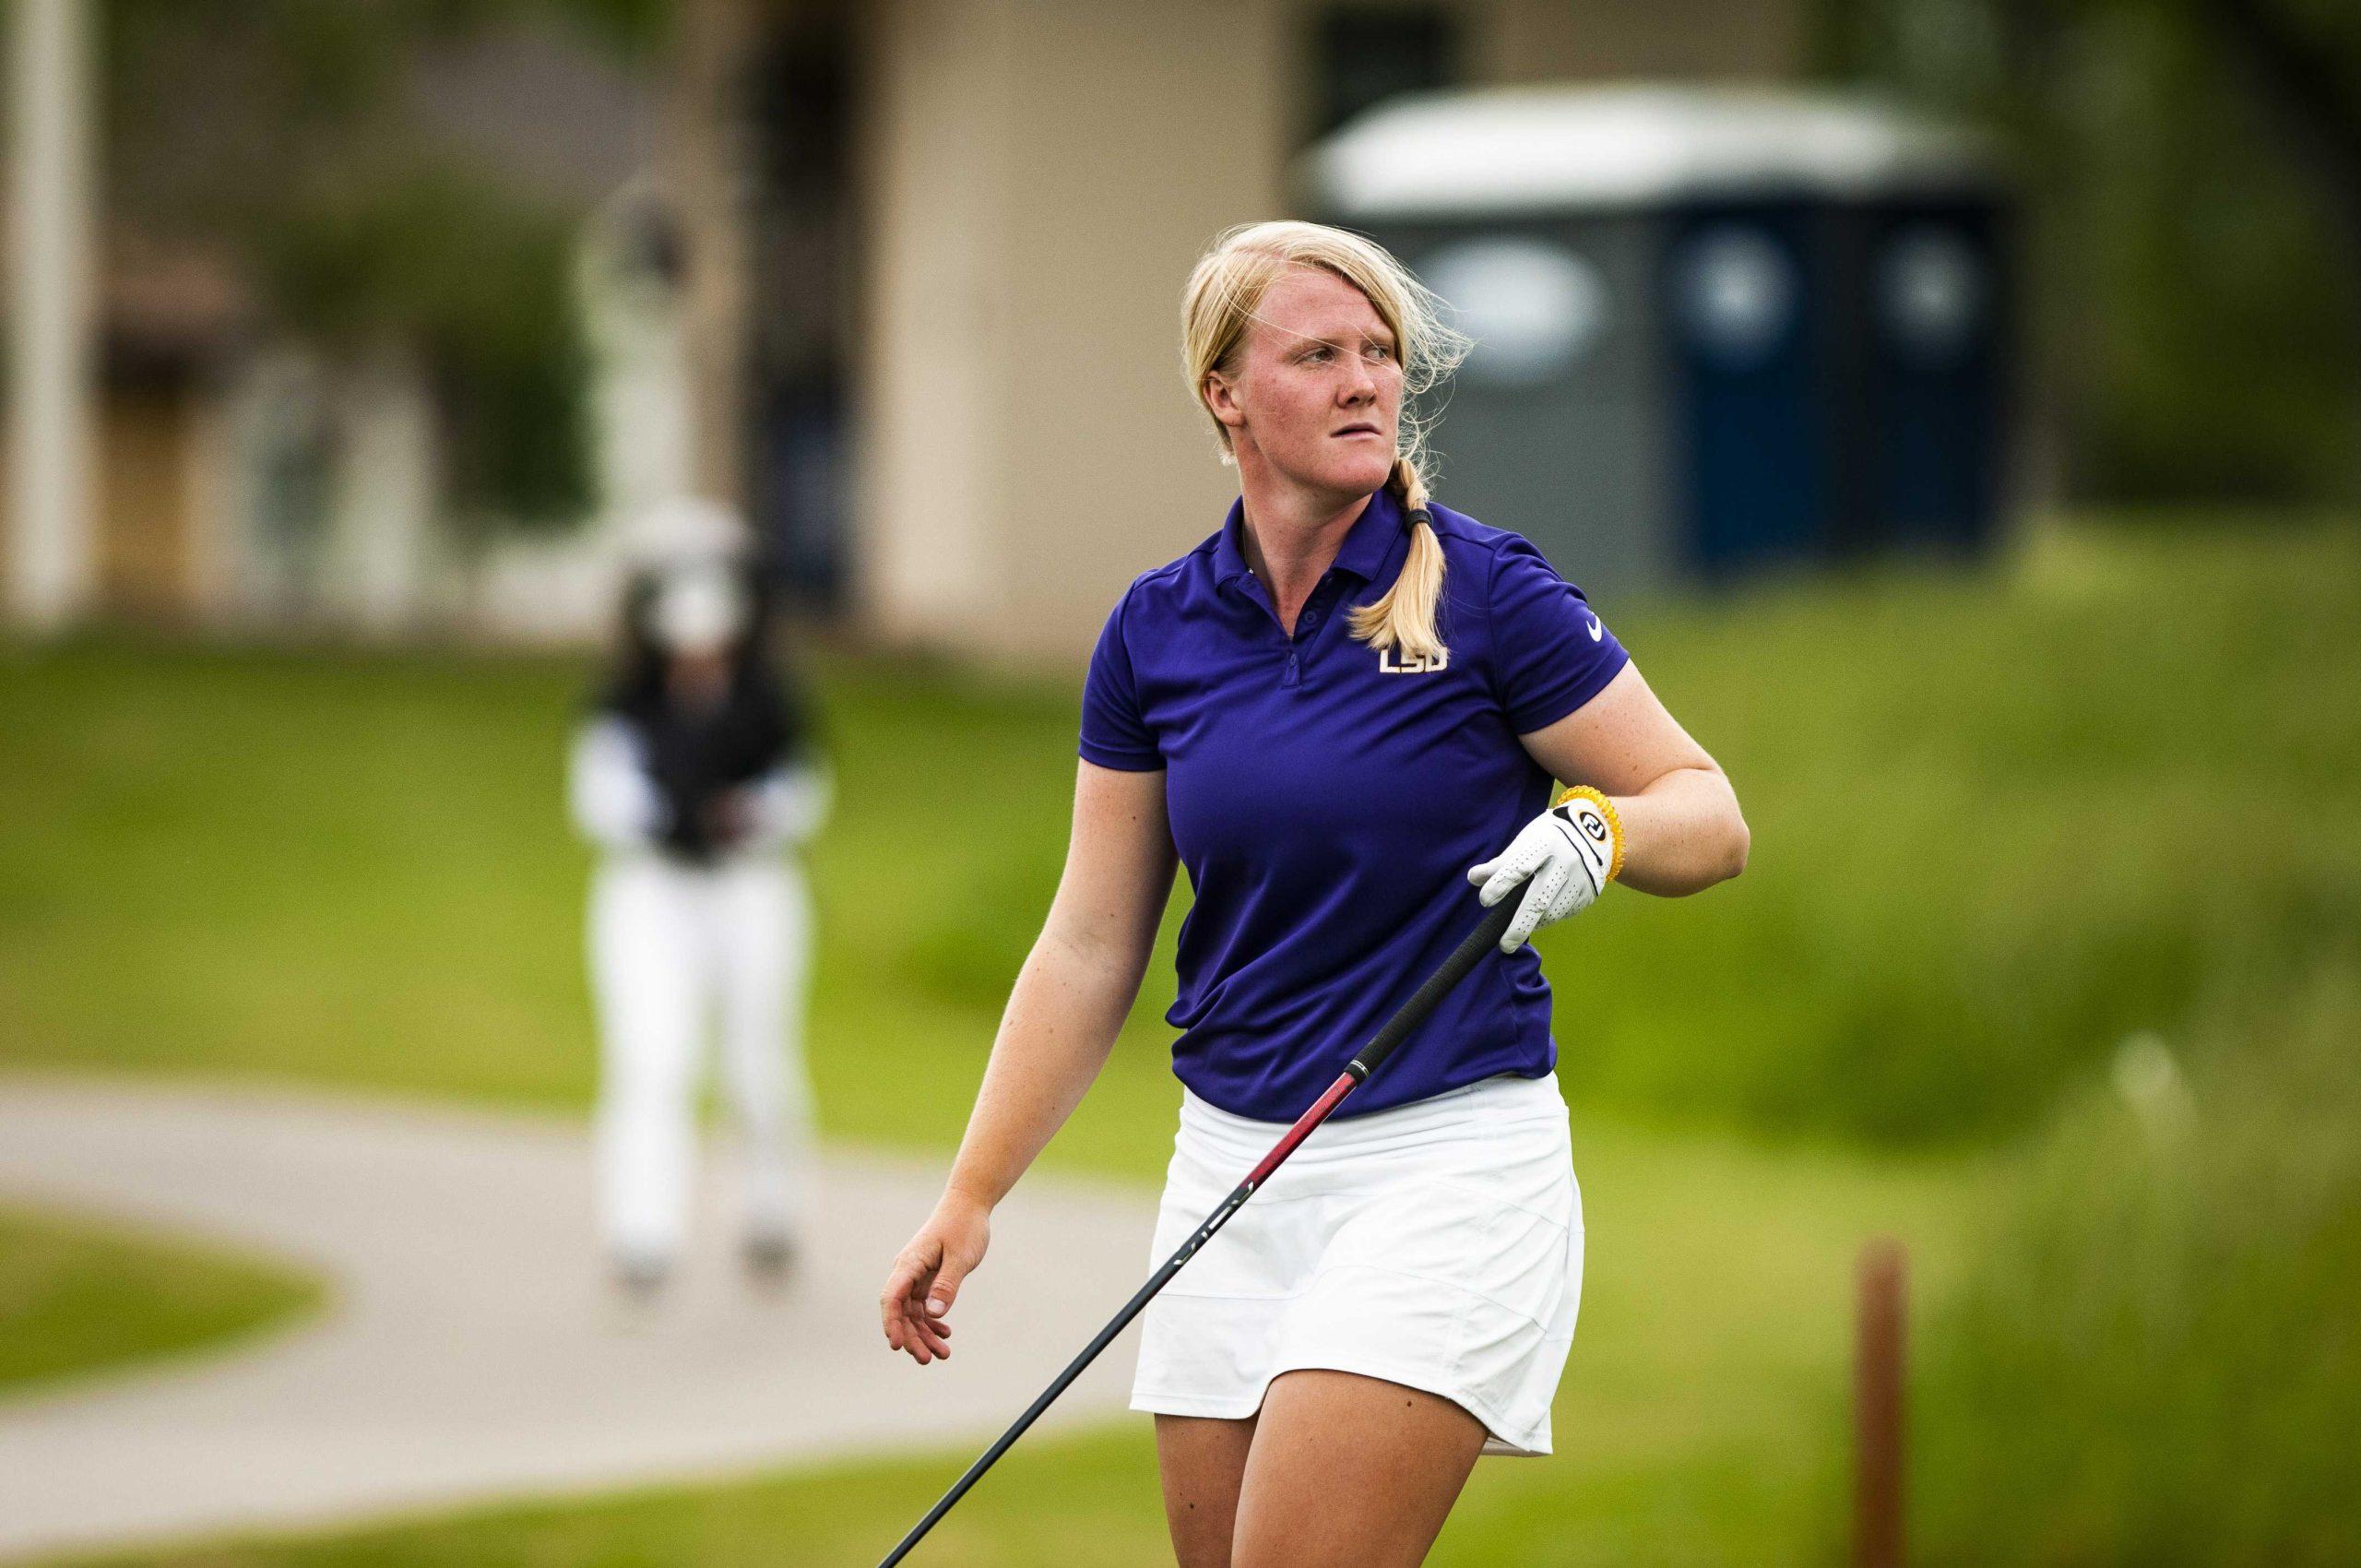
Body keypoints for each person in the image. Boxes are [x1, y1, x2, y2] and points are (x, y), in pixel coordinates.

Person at [878, 220, 1749, 1566]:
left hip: (1445, 1167)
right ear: (1225, 392)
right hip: (1231, 1165)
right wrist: (974, 1190)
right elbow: (1093, 938)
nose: (1365, 383)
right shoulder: (1155, 631)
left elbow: (1711, 814)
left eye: (1382, 354)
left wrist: (1601, 834)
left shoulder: (1489, 595)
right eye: (1320, 354)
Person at [570, 530, 829, 1297]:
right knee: (652, 1060)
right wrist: (672, 818)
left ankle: (771, 1218)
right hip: (651, 892)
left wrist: (744, 817)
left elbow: (803, 793)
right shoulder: (623, 704)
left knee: (759, 1061)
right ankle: (641, 1233)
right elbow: (601, 799)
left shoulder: (771, 701)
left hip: (751, 891)